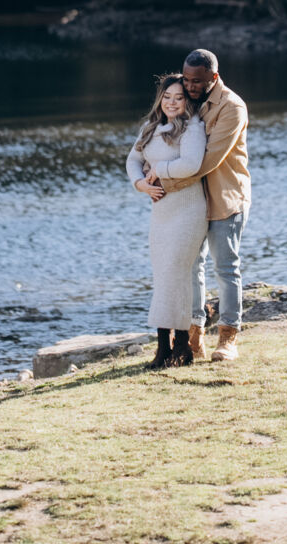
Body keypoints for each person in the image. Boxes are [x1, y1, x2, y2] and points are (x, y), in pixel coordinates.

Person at [135, 48, 250, 362]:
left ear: (214, 77)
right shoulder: (189, 100)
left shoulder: (232, 107)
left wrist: (163, 179)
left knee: (226, 267)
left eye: (196, 81)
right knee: (190, 268)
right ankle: (194, 335)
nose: (189, 86)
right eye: (186, 79)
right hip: (192, 201)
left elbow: (206, 161)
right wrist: (144, 175)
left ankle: (228, 337)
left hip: (225, 196)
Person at [126, 75, 208, 367]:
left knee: (177, 273)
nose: (172, 103)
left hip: (189, 211)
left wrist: (160, 168)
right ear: (160, 98)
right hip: (161, 213)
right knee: (163, 276)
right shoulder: (151, 127)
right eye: (167, 96)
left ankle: (182, 346)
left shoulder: (193, 128)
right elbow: (132, 161)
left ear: (188, 101)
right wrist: (141, 184)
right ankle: (164, 347)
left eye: (179, 97)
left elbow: (191, 164)